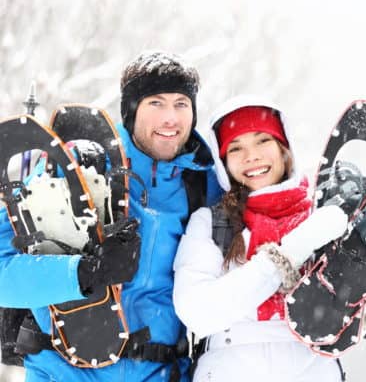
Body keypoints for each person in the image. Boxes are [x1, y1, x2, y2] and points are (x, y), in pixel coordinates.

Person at [0, 51, 221, 381]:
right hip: (64, 370)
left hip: (160, 372)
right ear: (131, 111)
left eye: (181, 104)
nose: (170, 118)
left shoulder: (203, 183)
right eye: (156, 103)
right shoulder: (77, 166)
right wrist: (86, 273)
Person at [173, 96, 349, 382]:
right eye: (236, 147)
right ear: (223, 162)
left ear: (284, 149)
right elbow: (196, 312)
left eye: (262, 141)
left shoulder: (322, 217)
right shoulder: (213, 223)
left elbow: (352, 319)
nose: (251, 156)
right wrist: (290, 253)